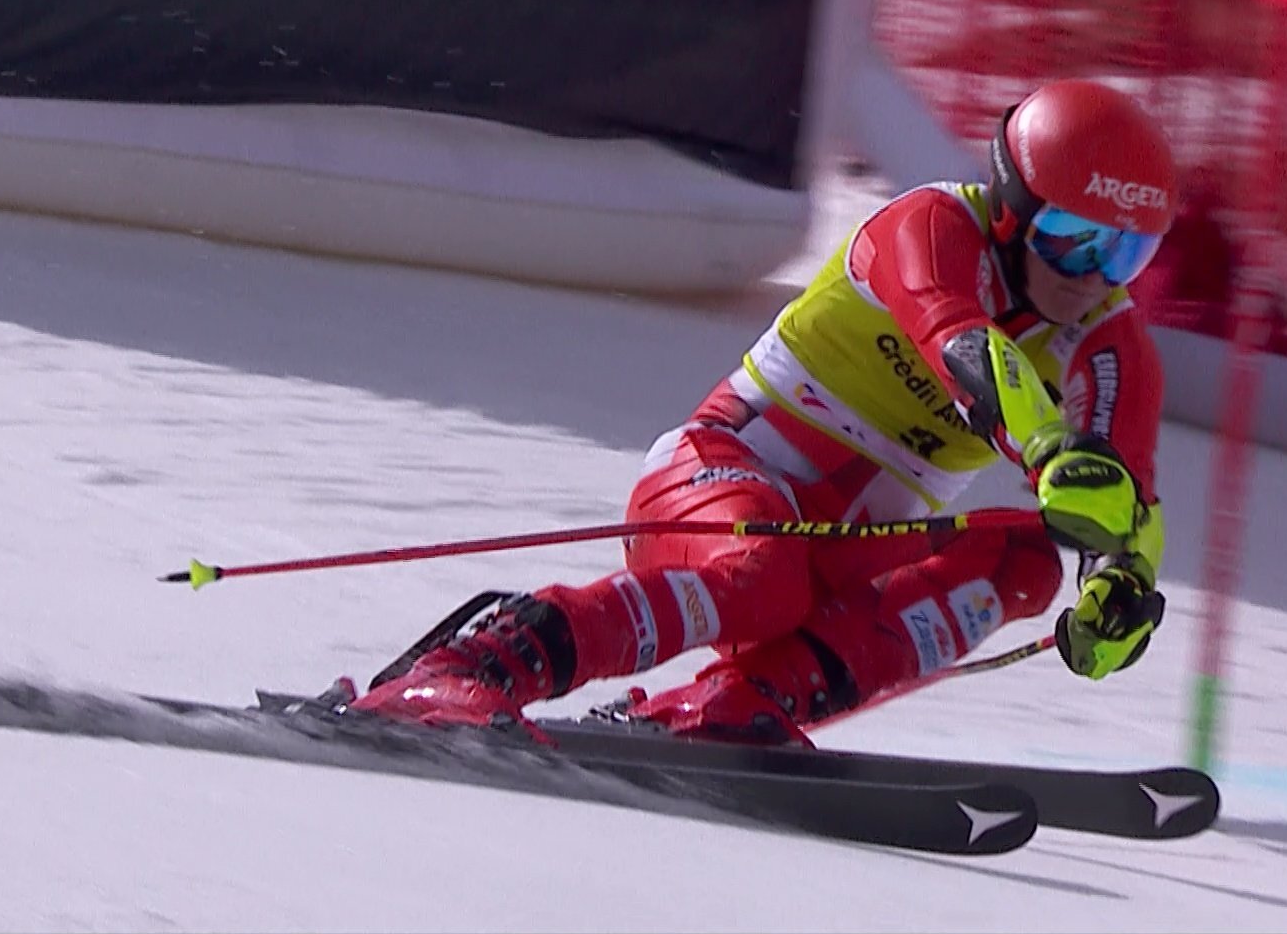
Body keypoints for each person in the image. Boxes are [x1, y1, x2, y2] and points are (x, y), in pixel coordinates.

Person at [352, 78, 1176, 744]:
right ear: (1011, 207)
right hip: (719, 477)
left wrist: (1119, 587)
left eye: (1126, 253)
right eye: (1072, 237)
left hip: (843, 548)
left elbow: (1128, 499)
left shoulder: (1114, 346)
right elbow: (960, 341)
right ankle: (476, 666)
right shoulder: (930, 227)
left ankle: (745, 704)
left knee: (1023, 561)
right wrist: (1049, 448)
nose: (1093, 275)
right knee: (765, 578)